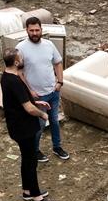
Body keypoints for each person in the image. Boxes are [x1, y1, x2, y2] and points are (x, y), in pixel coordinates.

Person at [1, 48, 56, 201]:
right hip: (23, 128)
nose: (24, 60)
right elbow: (28, 109)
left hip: (17, 126)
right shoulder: (15, 81)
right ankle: (37, 198)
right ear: (16, 62)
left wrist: (37, 103)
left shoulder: (7, 77)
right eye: (22, 58)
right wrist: (43, 115)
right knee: (31, 162)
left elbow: (21, 101)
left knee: (27, 159)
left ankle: (27, 191)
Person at [16, 17, 70, 161]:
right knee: (38, 126)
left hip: (53, 92)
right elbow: (19, 73)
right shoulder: (21, 48)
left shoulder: (49, 45)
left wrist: (60, 82)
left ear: (41, 30)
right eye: (31, 30)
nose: (34, 33)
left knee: (54, 121)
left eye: (37, 30)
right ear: (26, 30)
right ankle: (34, 150)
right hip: (37, 96)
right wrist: (30, 91)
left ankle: (57, 147)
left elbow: (58, 63)